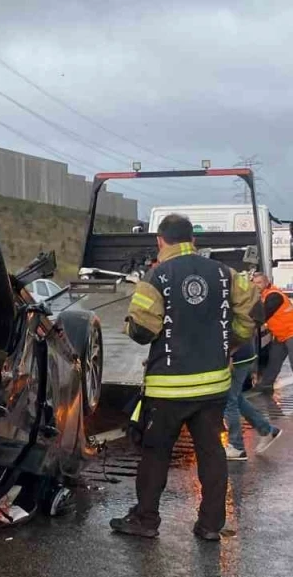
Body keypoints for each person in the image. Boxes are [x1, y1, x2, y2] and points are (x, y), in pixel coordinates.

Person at [109, 214, 257, 541]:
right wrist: (230, 343)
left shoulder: (156, 277)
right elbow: (250, 314)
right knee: (211, 455)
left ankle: (145, 520)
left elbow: (143, 331)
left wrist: (129, 323)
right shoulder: (225, 274)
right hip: (213, 387)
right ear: (193, 240)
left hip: (168, 389)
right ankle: (210, 525)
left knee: (156, 454)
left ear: (161, 241)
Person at [251, 271, 293, 401]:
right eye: (254, 283)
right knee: (274, 360)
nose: (256, 285)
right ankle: (266, 385)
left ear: (266, 282)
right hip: (281, 334)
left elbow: (263, 314)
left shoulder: (274, 295)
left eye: (259, 283)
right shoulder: (264, 295)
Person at [225, 339, 284, 461]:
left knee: (229, 400)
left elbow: (230, 331)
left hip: (235, 357)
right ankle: (267, 430)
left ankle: (237, 447)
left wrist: (229, 355)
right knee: (236, 398)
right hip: (240, 355)